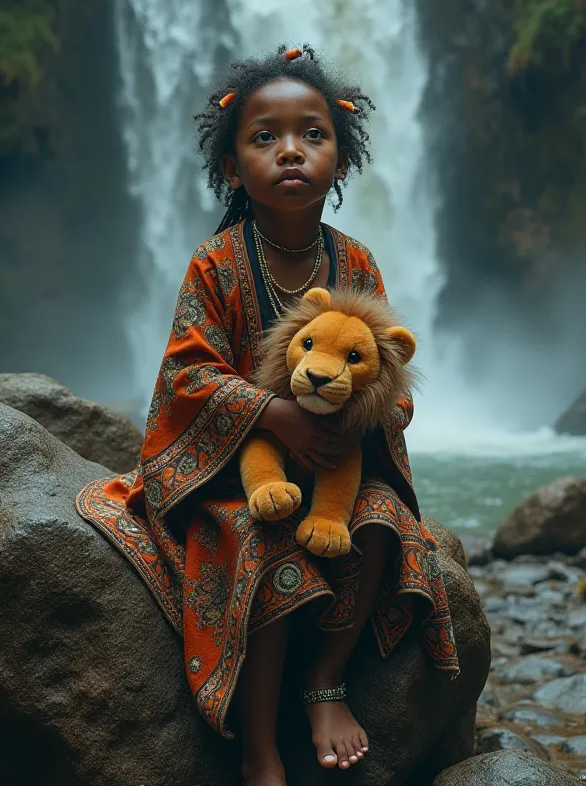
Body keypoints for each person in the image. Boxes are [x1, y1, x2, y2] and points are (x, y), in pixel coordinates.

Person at [76, 44, 458, 786]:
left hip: (335, 466)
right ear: (230, 167)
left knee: (382, 520)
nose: (291, 150)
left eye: (313, 134)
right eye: (264, 137)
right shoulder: (217, 263)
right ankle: (259, 747)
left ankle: (326, 681)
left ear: (341, 162)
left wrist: (383, 409)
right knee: (261, 541)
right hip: (234, 474)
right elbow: (186, 373)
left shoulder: (358, 264)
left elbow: (386, 365)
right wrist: (274, 415)